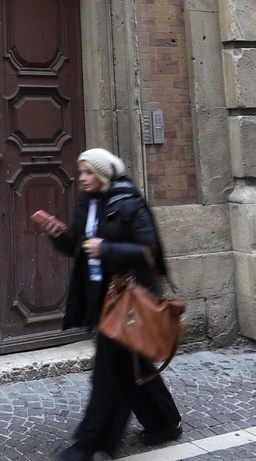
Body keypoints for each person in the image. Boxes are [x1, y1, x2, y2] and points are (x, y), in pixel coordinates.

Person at [31, 148, 182, 461]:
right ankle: (164, 423)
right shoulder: (88, 203)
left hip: (127, 297)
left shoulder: (127, 201)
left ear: (103, 174)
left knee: (105, 374)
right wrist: (57, 234)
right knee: (131, 366)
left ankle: (86, 445)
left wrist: (107, 248)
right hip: (100, 296)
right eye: (81, 171)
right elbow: (77, 244)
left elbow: (147, 248)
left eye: (88, 172)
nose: (82, 178)